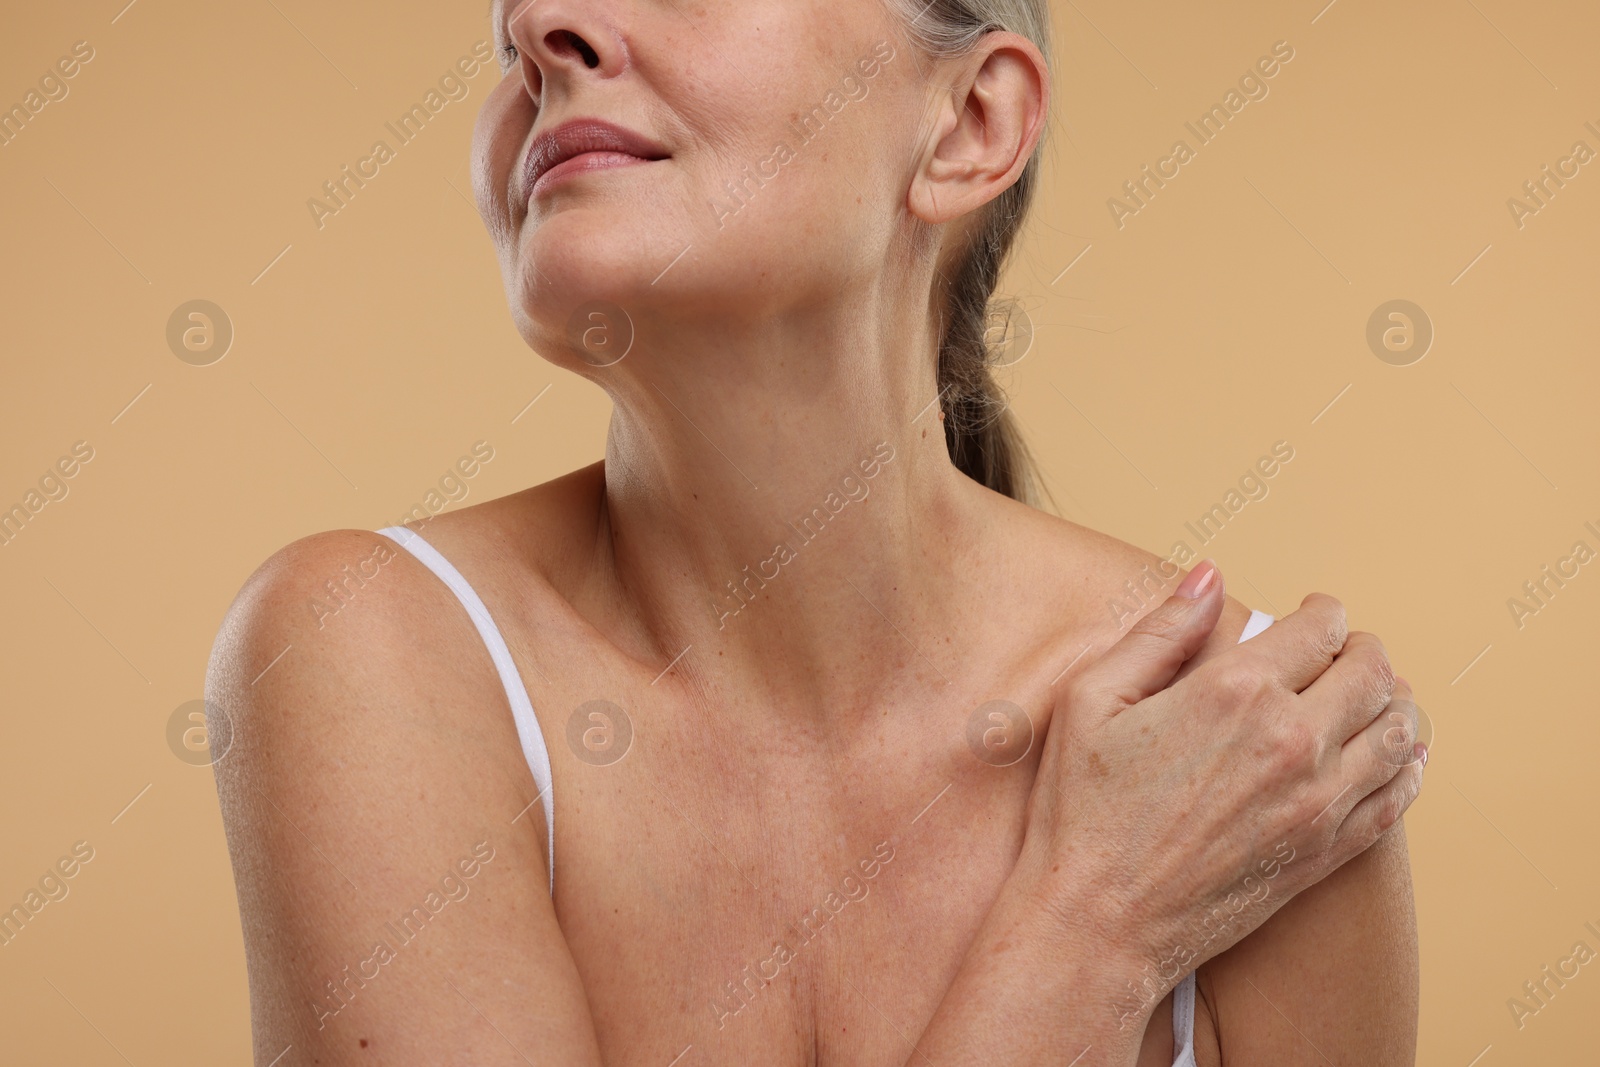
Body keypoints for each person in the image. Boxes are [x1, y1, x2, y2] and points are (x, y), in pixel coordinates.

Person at [206, 1, 1425, 1063]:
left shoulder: (1254, 750)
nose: (539, 28)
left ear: (970, 125)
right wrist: (1094, 921)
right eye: (503, 22)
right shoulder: (369, 649)